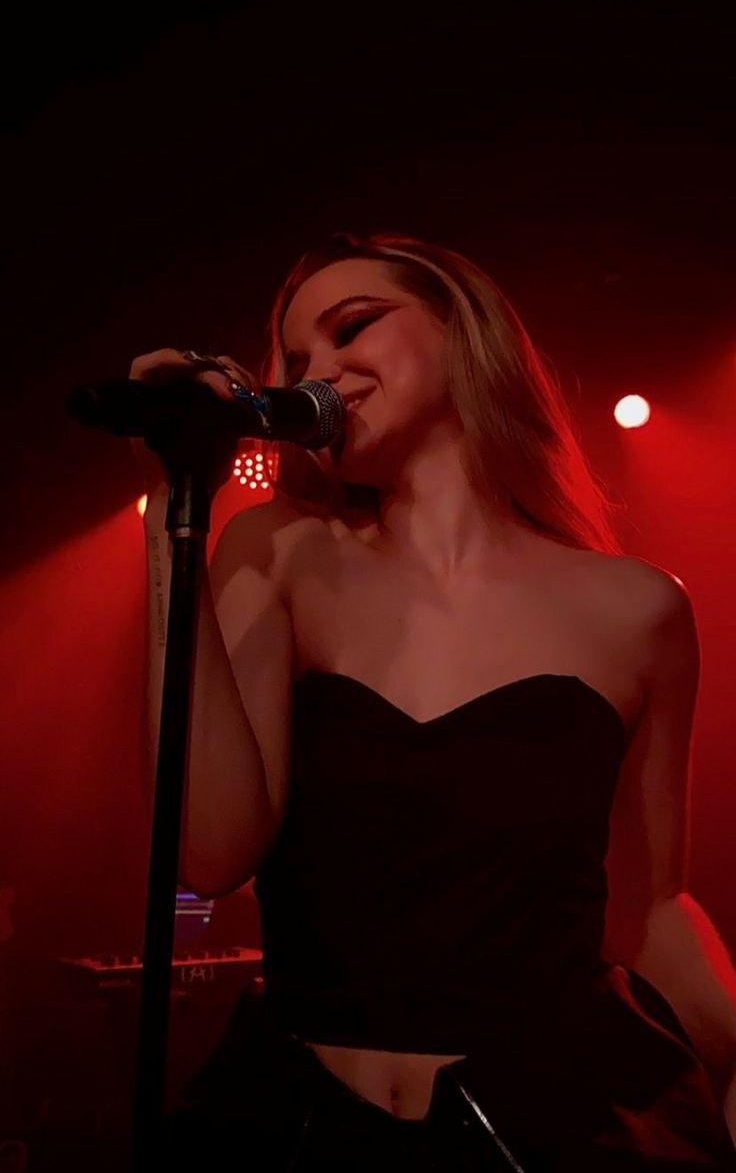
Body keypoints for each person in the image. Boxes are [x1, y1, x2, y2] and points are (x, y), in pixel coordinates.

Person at [132, 232, 736, 1170]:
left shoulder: (638, 608)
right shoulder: (277, 551)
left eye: (352, 330)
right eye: (295, 359)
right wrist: (178, 505)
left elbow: (649, 910)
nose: (318, 371)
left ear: (463, 334)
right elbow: (207, 852)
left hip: (553, 1130)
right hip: (304, 1128)